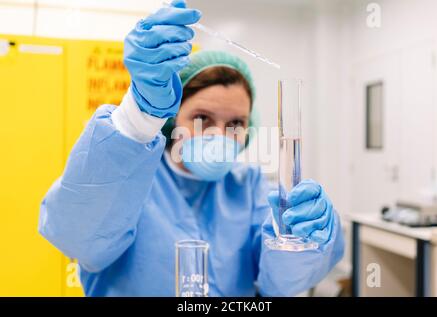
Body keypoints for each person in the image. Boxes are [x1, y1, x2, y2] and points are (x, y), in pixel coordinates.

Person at [38, 0, 344, 296]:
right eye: (202, 118)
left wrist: (307, 240)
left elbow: (280, 284)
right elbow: (76, 236)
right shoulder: (129, 178)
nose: (219, 135)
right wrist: (137, 116)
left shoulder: (249, 186)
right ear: (174, 119)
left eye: (235, 124)